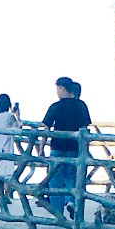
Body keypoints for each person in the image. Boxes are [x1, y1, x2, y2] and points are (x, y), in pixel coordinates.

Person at [42, 76, 91, 218]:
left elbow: (46, 128)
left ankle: (58, 214)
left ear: (62, 88)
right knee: (72, 177)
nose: (57, 92)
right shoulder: (81, 106)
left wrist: (41, 148)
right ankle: (71, 201)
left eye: (57, 89)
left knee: (55, 179)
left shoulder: (56, 106)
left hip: (58, 147)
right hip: (76, 148)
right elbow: (85, 127)